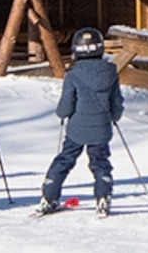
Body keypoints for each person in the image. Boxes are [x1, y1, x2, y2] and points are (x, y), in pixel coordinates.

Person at [38, 27, 124, 217]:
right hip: (101, 128)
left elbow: (66, 105)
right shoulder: (110, 73)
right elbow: (116, 102)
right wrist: (115, 116)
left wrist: (61, 113)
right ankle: (103, 197)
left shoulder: (74, 74)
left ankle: (49, 197)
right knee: (101, 162)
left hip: (77, 129)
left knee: (64, 160)